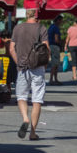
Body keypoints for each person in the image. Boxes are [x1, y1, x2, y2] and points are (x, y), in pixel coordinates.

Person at [10, 9, 49, 141]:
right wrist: (46, 64)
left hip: (22, 68)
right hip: (37, 68)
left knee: (21, 96)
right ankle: (32, 132)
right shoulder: (41, 28)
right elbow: (46, 48)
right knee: (37, 99)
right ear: (36, 15)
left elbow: (11, 48)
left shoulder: (17, 28)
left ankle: (25, 119)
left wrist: (18, 63)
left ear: (26, 15)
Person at [66, 18, 77, 82]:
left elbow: (68, 38)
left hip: (71, 45)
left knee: (73, 60)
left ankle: (74, 75)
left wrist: (66, 45)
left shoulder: (70, 28)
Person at [47, 15, 63, 85]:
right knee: (55, 64)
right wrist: (61, 43)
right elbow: (56, 39)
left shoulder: (51, 26)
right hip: (55, 46)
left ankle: (55, 79)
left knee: (54, 63)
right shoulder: (56, 28)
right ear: (58, 20)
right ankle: (52, 79)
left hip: (50, 45)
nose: (61, 22)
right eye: (61, 20)